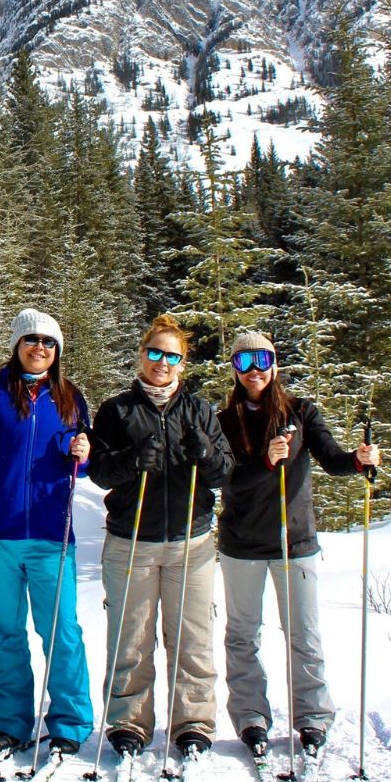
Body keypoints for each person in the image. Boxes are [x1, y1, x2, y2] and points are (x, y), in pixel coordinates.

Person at [217, 332, 381, 757]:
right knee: (242, 636)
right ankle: (251, 716)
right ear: (234, 369)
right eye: (244, 361)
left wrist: (358, 460)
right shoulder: (225, 421)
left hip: (295, 541)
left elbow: (332, 459)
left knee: (303, 634)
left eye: (262, 359)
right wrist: (267, 461)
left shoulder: (301, 412)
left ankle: (312, 717)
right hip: (242, 544)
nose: (254, 370)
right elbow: (228, 480)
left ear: (274, 364)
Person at [88, 313, 234, 758]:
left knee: (191, 638)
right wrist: (133, 459)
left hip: (190, 541)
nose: (162, 362)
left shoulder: (200, 409)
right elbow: (98, 472)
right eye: (155, 353)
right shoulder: (117, 410)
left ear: (183, 362)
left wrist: (206, 454)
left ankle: (193, 720)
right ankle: (129, 721)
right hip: (132, 540)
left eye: (172, 356)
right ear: (141, 355)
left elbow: (223, 472)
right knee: (131, 637)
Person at [0, 309, 95, 754]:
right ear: (16, 345)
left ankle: (70, 723)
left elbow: (84, 464)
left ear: (58, 350)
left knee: (61, 631)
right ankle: (12, 722)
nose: (40, 348)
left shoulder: (70, 397)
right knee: (6, 632)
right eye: (31, 339)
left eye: (49, 342)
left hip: (52, 532)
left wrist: (83, 453)